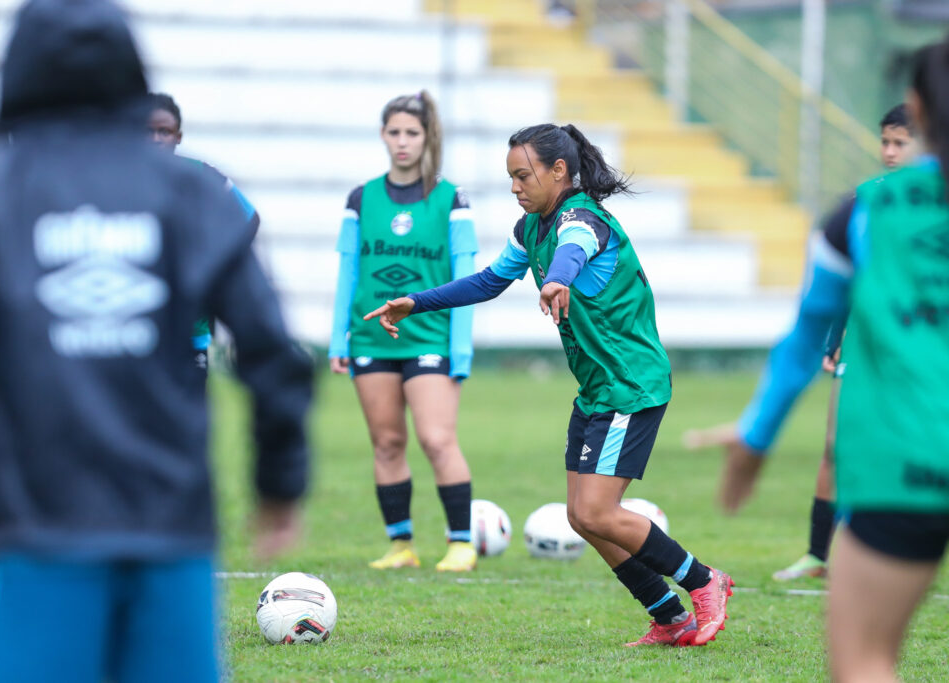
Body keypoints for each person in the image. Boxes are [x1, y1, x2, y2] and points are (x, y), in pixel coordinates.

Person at [0, 2, 312, 682]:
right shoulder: (192, 192)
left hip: (36, 528)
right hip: (171, 529)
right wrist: (279, 479)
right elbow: (269, 344)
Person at [365, 123, 733, 647]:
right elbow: (490, 281)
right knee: (584, 518)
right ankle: (668, 615)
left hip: (630, 385)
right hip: (596, 390)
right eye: (511, 177)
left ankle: (704, 581)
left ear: (559, 171)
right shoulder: (531, 227)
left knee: (596, 511)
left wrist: (560, 278)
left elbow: (575, 249)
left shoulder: (582, 218)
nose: (515, 187)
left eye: (523, 175)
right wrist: (416, 301)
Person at [710, 41, 949, 681]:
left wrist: (755, 437)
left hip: (909, 461)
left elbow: (805, 335)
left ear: (918, 110)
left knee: (866, 661)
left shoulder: (862, 211)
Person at [685, 104, 918, 582]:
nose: (890, 152)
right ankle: (820, 554)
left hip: (921, 357)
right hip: (865, 348)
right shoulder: (862, 205)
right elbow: (827, 304)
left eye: (902, 142)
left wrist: (758, 433)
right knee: (836, 446)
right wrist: (836, 341)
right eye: (886, 141)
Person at [329, 90, 479, 572]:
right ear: (382, 135)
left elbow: (467, 277)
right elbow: (348, 274)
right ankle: (401, 546)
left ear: (426, 137)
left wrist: (461, 350)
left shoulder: (450, 198)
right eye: (393, 132)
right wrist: (338, 340)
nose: (402, 142)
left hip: (430, 337)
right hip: (370, 338)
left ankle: (461, 543)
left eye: (411, 132)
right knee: (387, 443)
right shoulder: (361, 198)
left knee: (437, 439)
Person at [146, 92, 260, 370]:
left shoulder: (201, 176)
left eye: (165, 131)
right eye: (148, 131)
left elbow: (248, 218)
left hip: (190, 327)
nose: (157, 139)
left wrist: (212, 261)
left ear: (179, 136)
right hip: (137, 326)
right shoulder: (118, 175)